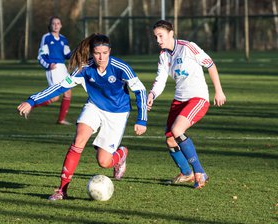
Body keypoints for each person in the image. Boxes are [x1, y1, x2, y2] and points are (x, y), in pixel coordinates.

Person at [17, 34, 148, 200]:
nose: (101, 57)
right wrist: (32, 101)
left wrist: (141, 119)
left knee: (104, 162)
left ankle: (121, 154)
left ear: (110, 51)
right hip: (94, 106)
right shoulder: (84, 68)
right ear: (92, 52)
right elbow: (59, 87)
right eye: (97, 53)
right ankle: (62, 190)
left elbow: (141, 91)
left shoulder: (121, 67)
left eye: (105, 53)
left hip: (117, 113)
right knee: (78, 140)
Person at [147, 20, 226, 189]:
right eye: (155, 37)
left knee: (177, 131)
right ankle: (186, 173)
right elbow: (160, 79)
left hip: (197, 98)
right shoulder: (163, 56)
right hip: (179, 100)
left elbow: (210, 65)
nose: (158, 40)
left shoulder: (188, 47)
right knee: (170, 140)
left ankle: (199, 171)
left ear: (171, 33)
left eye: (161, 36)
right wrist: (152, 94)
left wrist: (218, 91)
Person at [36, 16, 72, 125]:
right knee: (55, 97)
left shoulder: (63, 39)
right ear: (50, 25)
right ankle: (29, 105)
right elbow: (40, 55)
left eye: (58, 23)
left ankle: (61, 120)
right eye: (53, 23)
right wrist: (48, 65)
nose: (56, 25)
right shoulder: (46, 38)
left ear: (61, 25)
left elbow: (67, 54)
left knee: (68, 93)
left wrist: (79, 53)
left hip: (63, 69)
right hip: (53, 68)